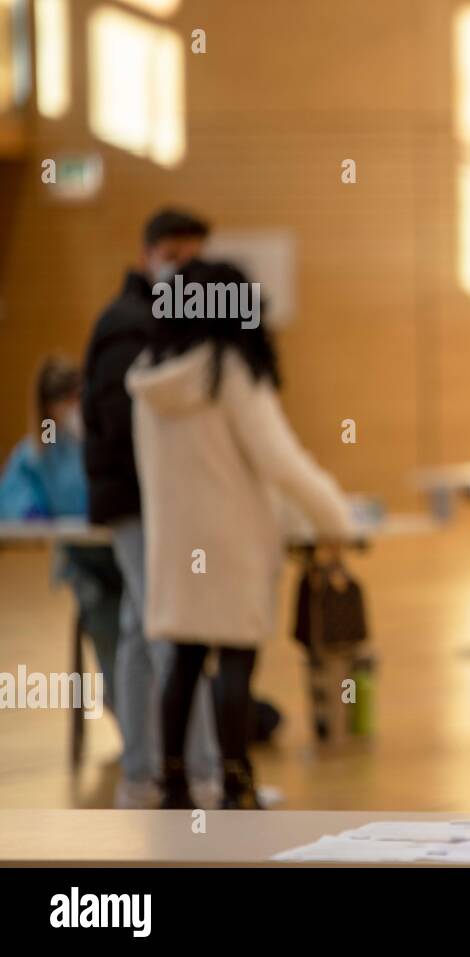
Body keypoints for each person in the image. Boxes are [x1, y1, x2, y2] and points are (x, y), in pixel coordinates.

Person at [127, 259, 353, 809]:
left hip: (175, 542)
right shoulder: (227, 369)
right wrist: (336, 518)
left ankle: (173, 782)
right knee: (234, 658)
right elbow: (279, 460)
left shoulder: (149, 373)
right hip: (232, 540)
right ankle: (236, 783)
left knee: (181, 657)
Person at [81, 208, 221, 808]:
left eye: (195, 258)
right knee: (171, 628)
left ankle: (142, 770)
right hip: (138, 503)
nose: (186, 270)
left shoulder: (162, 319)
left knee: (143, 629)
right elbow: (122, 425)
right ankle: (201, 771)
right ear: (149, 255)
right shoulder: (127, 323)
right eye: (177, 257)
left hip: (152, 501)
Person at [0, 358, 122, 714]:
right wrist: (30, 513)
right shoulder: (40, 451)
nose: (71, 407)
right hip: (86, 567)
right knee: (105, 626)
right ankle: (126, 712)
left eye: (76, 397)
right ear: (47, 406)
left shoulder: (102, 440)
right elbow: (15, 492)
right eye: (63, 400)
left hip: (123, 556)